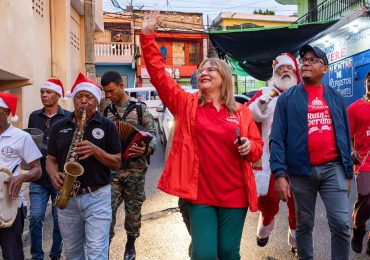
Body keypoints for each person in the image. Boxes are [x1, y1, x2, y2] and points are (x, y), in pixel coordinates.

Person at [140, 11, 263, 259]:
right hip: (200, 194)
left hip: (234, 192)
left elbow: (257, 148)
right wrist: (146, 36)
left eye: (211, 70)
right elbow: (159, 77)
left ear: (224, 78)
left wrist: (249, 146)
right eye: (201, 70)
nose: (203, 73)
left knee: (229, 252)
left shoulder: (242, 112)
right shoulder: (186, 104)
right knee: (204, 254)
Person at [270, 45, 353, 260]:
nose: (305, 62)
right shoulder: (287, 99)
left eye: (312, 59)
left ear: (324, 69)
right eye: (303, 59)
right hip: (300, 171)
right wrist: (279, 175)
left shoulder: (335, 97)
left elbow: (344, 135)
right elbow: (277, 139)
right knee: (304, 225)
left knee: (342, 224)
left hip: (333, 168)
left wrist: (348, 173)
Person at [46, 73, 121, 259]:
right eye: (79, 97)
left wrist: (97, 151)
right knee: (72, 252)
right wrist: (54, 175)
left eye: (89, 97)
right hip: (68, 197)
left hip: (97, 197)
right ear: (74, 100)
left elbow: (117, 162)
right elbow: (51, 159)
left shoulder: (108, 126)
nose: (84, 101)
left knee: (97, 252)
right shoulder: (58, 126)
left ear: (97, 101)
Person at [100, 70, 157, 260]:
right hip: (113, 172)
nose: (108, 96)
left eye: (111, 91)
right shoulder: (107, 112)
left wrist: (146, 150)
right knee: (106, 212)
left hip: (135, 171)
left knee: (133, 212)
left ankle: (130, 246)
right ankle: (103, 250)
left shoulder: (140, 109)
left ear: (121, 86)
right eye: (105, 92)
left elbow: (153, 136)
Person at [248, 53, 301, 253]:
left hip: (296, 160)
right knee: (268, 202)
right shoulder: (265, 93)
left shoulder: (302, 95)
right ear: (274, 73)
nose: (285, 72)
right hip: (269, 160)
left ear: (295, 73)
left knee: (297, 205)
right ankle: (265, 226)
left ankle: (296, 242)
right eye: (280, 69)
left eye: (289, 69)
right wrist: (267, 97)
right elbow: (249, 113)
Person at [28, 79, 70, 260]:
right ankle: (36, 256)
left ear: (58, 95)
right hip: (37, 176)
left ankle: (55, 255)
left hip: (59, 177)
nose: (44, 95)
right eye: (42, 92)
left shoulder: (68, 117)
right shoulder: (34, 116)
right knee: (35, 217)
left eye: (48, 92)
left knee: (59, 219)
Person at [0, 92, 42, 260]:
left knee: (13, 255)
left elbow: (37, 169)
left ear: (5, 112)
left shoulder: (22, 137)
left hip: (10, 207)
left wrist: (22, 177)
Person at [348, 71, 370, 254]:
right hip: (364, 161)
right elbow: (346, 135)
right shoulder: (355, 108)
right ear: (365, 84)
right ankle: (358, 228)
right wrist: (350, 149)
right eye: (369, 81)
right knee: (366, 196)